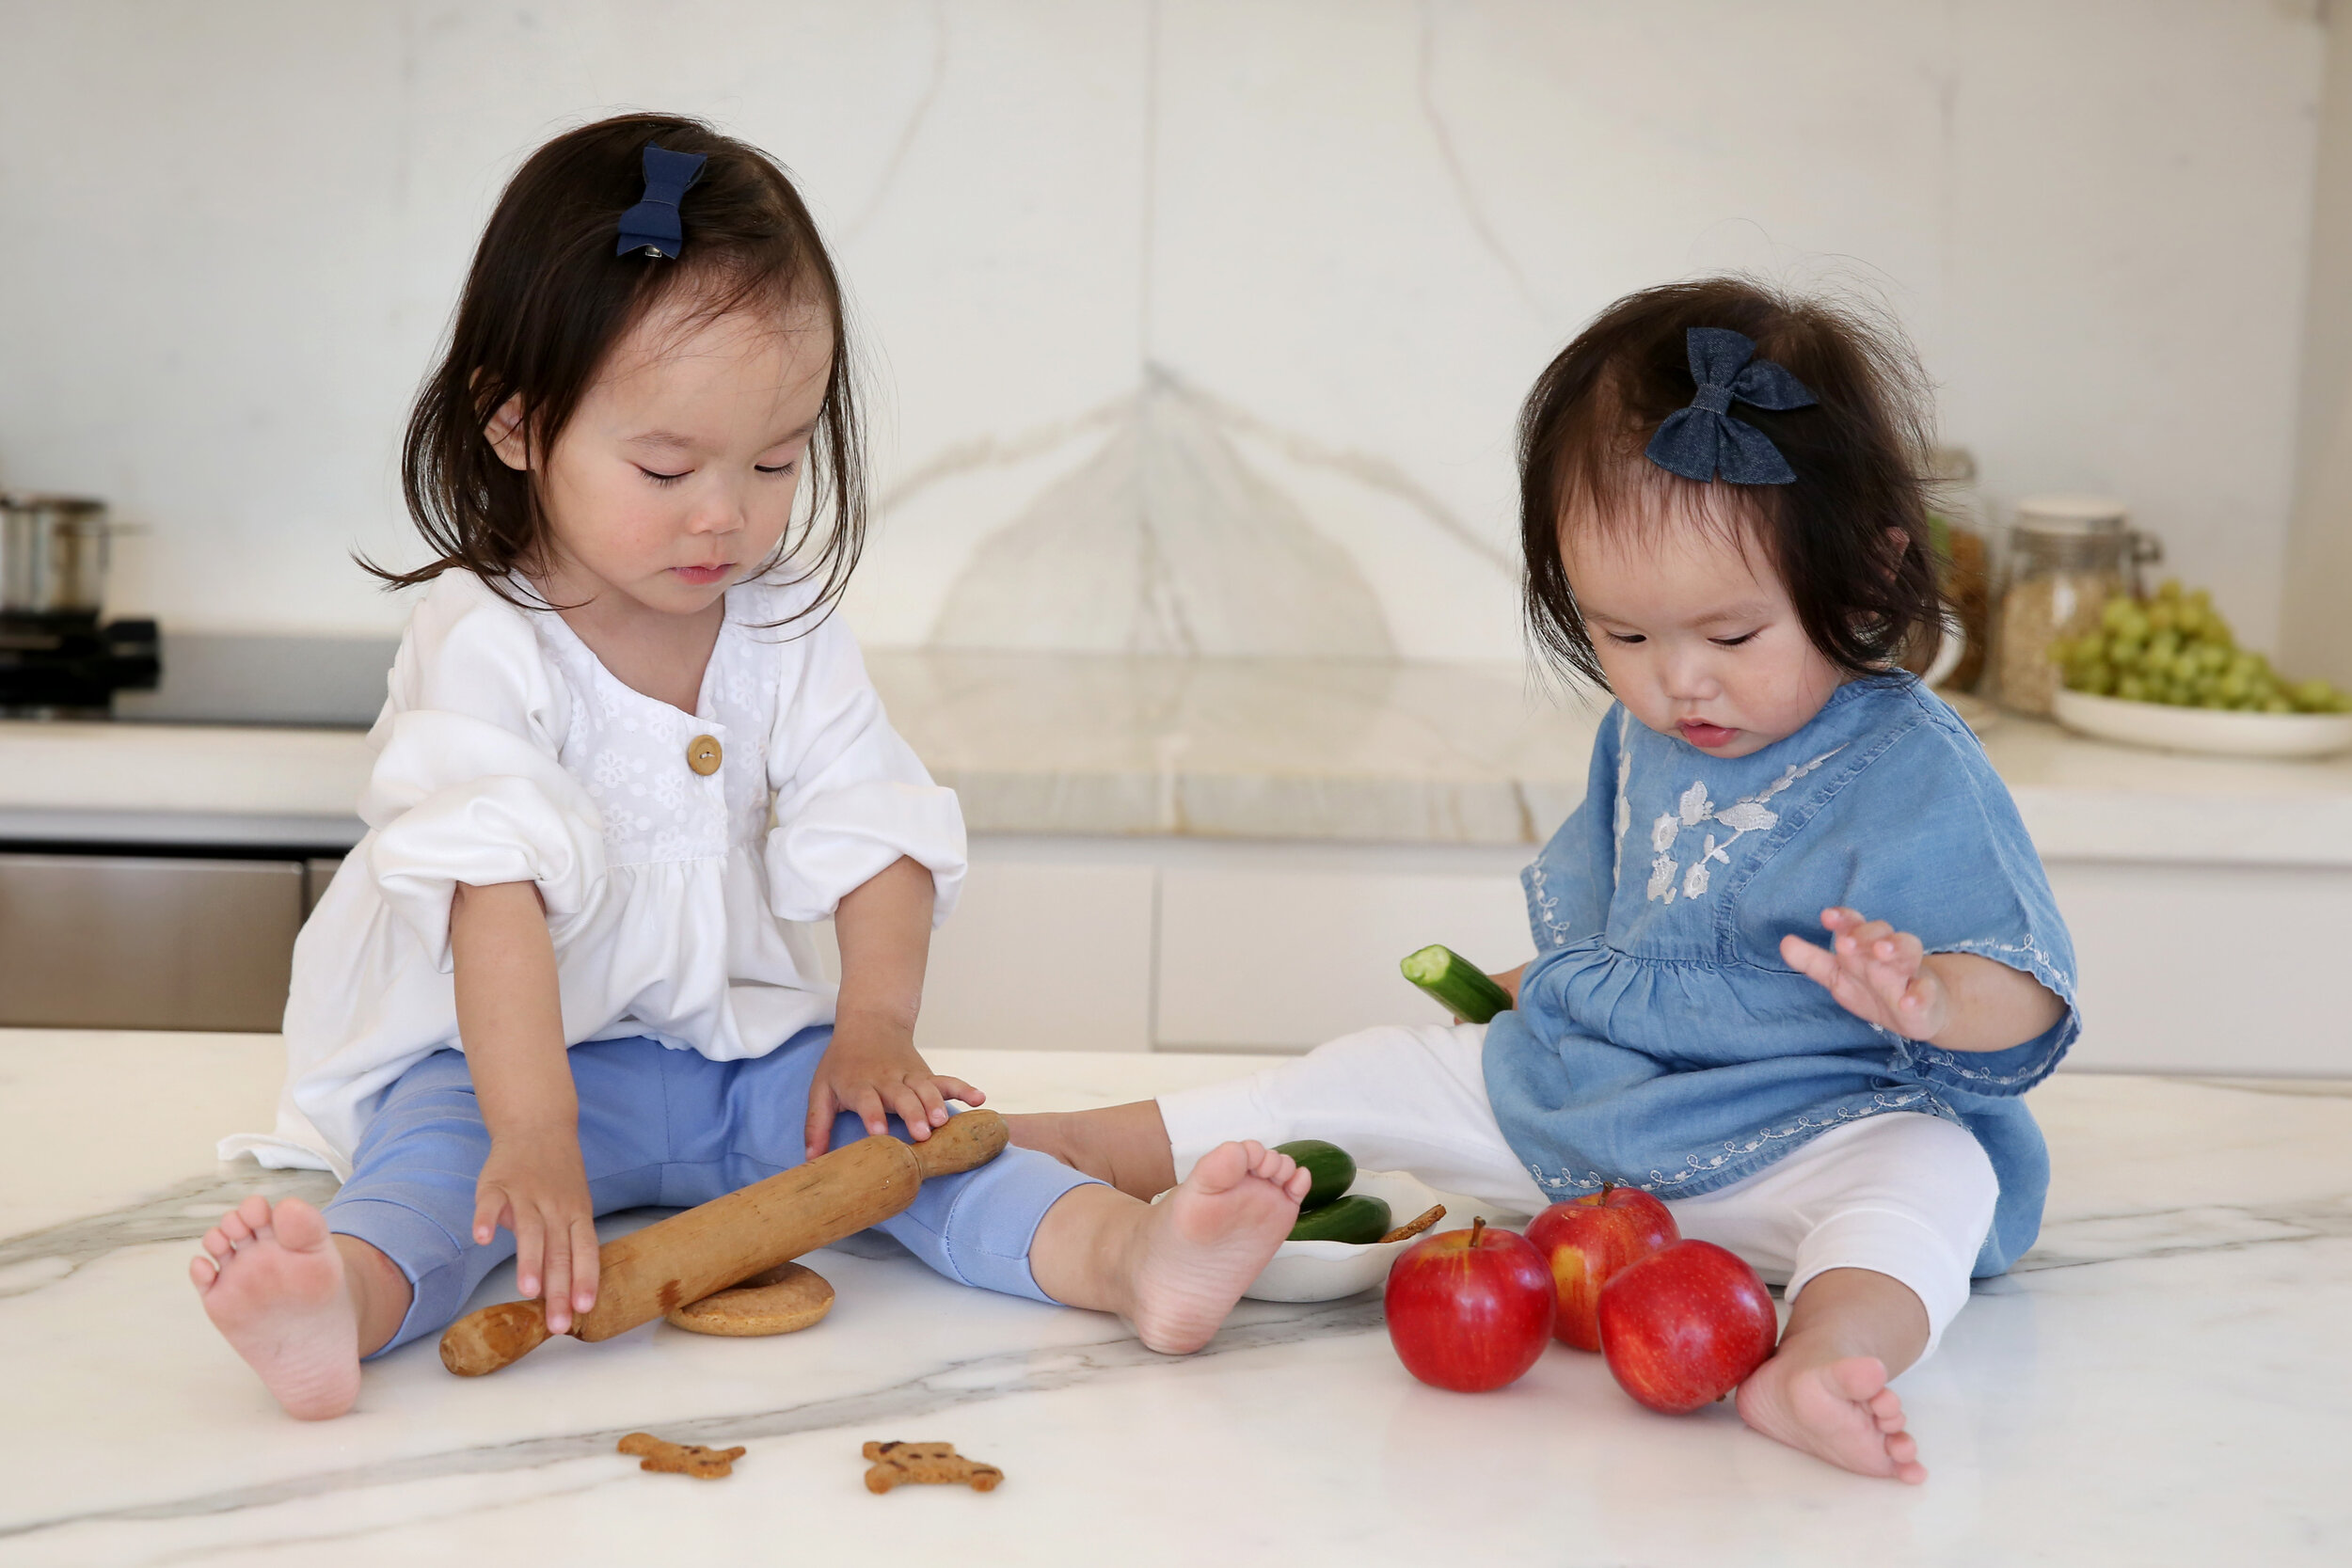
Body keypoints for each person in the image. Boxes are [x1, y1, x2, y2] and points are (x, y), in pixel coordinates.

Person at [194, 114, 1309, 1420]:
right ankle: (337, 1302)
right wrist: (537, 1133)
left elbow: (875, 824)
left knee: (909, 1148)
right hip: (499, 1067)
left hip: (736, 1058)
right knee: (441, 1177)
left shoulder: (781, 626)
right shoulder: (484, 637)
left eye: (776, 459)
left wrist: (873, 1030)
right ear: (515, 421)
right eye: (666, 466)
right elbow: (491, 896)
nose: (725, 513)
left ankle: (1130, 1257)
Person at [1011, 278, 2077, 1485]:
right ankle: (1077, 1144)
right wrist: (1541, 983)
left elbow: (2027, 986)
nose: (1678, 682)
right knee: (1372, 1070)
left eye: (1731, 636)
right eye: (1623, 634)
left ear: (1868, 573)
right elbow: (1637, 924)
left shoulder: (1910, 763)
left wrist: (1934, 995)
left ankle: (1819, 1356)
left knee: (1934, 1173)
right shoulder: (1648, 732)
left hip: (1812, 1133)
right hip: (1594, 1117)